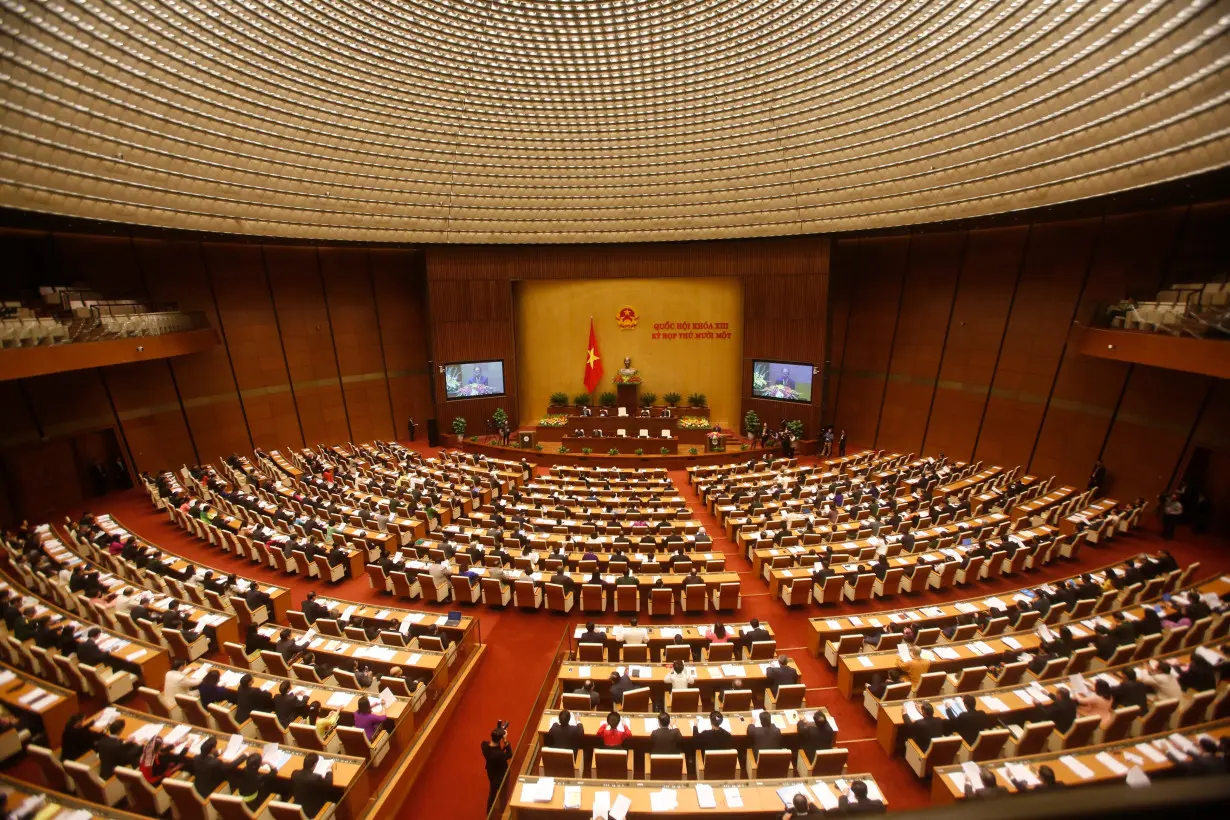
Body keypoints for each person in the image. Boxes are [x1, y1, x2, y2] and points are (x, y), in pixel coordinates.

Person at [289, 753, 335, 818]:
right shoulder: (316, 778)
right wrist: (329, 770)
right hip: (313, 813)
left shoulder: (295, 773)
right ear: (315, 765)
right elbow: (329, 782)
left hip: (298, 810)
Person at [482, 721, 512, 813]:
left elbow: (494, 744)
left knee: (492, 793)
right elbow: (509, 754)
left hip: (491, 772)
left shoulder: (484, 745)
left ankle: (489, 812)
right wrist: (505, 740)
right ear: (500, 739)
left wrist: (499, 732)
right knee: (503, 794)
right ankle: (503, 812)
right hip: (501, 776)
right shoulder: (499, 755)